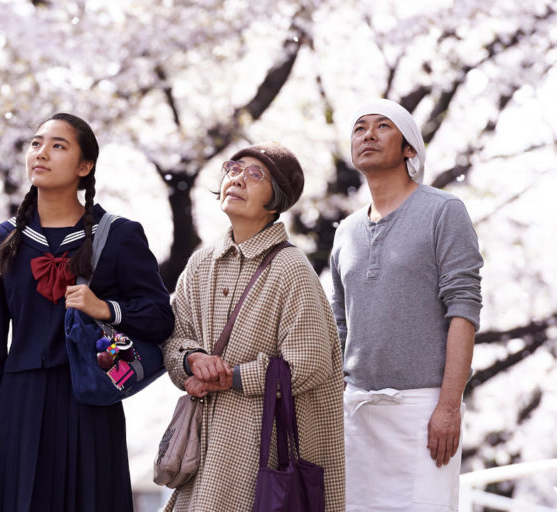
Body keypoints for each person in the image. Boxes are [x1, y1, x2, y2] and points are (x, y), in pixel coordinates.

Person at [0, 113, 174, 511]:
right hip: (17, 405)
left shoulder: (119, 235)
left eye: (58, 146)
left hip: (90, 400)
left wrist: (105, 309)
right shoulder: (3, 240)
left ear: (84, 166)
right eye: (36, 143)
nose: (41, 153)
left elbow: (160, 316)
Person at [162, 142, 345, 512]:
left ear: (275, 201)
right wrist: (192, 360)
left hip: (262, 451)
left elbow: (309, 363)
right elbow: (173, 339)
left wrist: (233, 376)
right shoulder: (200, 264)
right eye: (233, 168)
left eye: (255, 174)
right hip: (204, 450)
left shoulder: (291, 268)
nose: (238, 178)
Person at [330, 99, 483, 511]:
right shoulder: (345, 231)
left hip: (424, 410)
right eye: (360, 128)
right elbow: (339, 325)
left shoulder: (443, 212)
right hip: (357, 413)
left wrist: (448, 407)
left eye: (383, 127)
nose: (368, 135)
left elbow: (464, 309)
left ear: (409, 149)